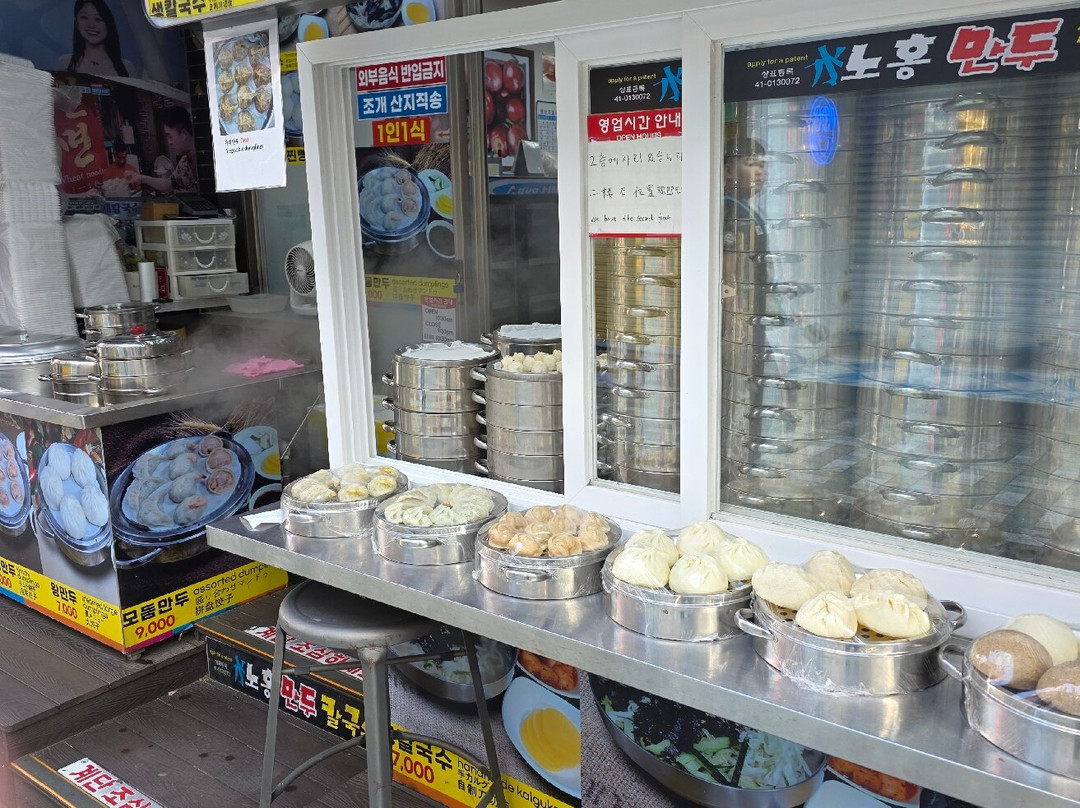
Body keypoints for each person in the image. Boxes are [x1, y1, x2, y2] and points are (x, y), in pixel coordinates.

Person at [56, 0, 136, 78]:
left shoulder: (127, 68)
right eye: (84, 17)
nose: (91, 25)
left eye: (98, 19)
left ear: (108, 23)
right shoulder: (65, 63)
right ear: (77, 23)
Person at [139, 107, 198, 194]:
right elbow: (169, 185)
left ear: (184, 134)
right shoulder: (184, 162)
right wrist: (141, 178)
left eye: (170, 136)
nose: (169, 142)